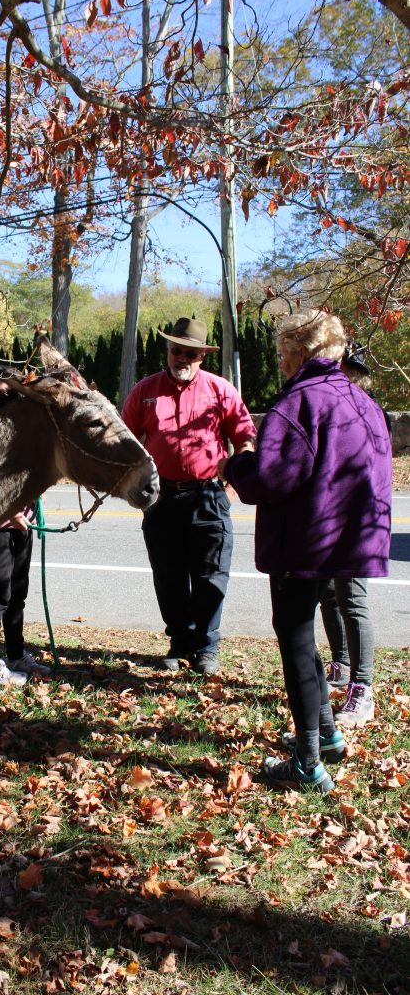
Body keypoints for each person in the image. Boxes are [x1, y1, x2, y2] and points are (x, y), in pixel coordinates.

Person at [219, 309, 392, 793]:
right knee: (303, 638)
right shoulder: (362, 401)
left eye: (281, 352)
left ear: (300, 353)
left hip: (304, 542)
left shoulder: (298, 403)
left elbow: (271, 480)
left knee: (295, 640)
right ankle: (328, 735)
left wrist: (237, 465)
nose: (279, 361)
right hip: (346, 539)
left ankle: (308, 763)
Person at [122, 317, 256, 675]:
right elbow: (126, 443)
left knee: (212, 575)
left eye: (190, 354)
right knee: (169, 576)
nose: (181, 358)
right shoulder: (144, 391)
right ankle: (180, 642)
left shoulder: (220, 390)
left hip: (208, 497)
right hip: (162, 500)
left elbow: (244, 437)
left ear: (201, 357)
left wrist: (231, 484)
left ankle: (207, 648)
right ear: (168, 351)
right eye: (176, 351)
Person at [319, 347, 391, 727]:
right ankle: (342, 664)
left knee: (353, 596)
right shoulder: (331, 404)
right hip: (328, 516)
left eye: (346, 369)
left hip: (357, 517)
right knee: (329, 594)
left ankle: (363, 688)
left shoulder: (368, 411)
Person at [0, 372, 51, 689]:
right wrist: (11, 511)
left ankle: (17, 654)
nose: (0, 399)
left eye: (6, 393)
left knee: (18, 593)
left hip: (24, 522)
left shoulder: (22, 428)